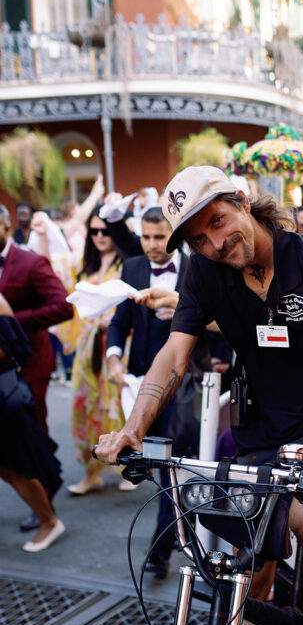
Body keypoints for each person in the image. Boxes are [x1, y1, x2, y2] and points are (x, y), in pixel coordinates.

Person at [95, 166, 303, 625]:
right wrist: (134, 427)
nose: (215, 243)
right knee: (249, 558)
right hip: (261, 425)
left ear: (240, 200)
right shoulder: (203, 272)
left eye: (218, 222)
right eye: (198, 239)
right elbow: (174, 355)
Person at [106, 206, 195, 580]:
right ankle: (176, 534)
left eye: (159, 237)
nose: (152, 245)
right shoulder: (133, 268)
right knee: (159, 465)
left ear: (173, 235)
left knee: (174, 465)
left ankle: (162, 549)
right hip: (143, 384)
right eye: (146, 237)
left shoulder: (197, 271)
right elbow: (118, 321)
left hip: (189, 382)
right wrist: (113, 357)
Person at [66, 206, 143, 496]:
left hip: (117, 346)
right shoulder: (85, 264)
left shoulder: (128, 265)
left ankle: (125, 466)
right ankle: (91, 472)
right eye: (94, 230)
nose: (100, 236)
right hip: (87, 351)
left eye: (105, 230)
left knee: (117, 406)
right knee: (85, 407)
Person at [0, 292, 65, 551]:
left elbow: (12, 351)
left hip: (4, 401)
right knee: (6, 468)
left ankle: (49, 521)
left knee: (16, 466)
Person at [0, 204, 74, 432]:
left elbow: (64, 307)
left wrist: (10, 321)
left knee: (34, 436)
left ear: (6, 226)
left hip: (30, 365)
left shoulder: (31, 262)